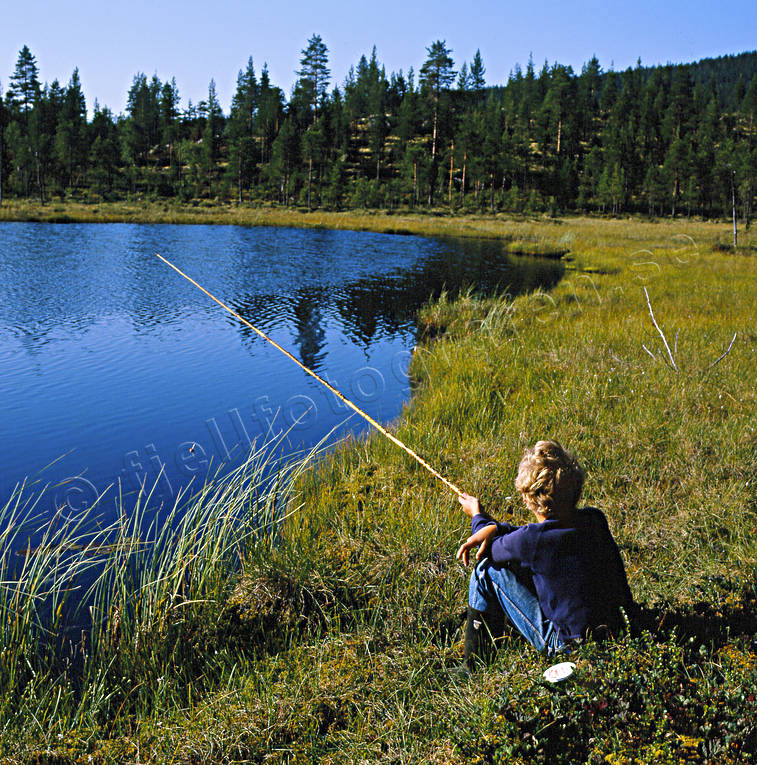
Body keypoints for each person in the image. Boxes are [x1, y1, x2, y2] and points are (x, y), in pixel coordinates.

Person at [456, 440, 635, 664]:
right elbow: (526, 535)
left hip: (568, 647)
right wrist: (497, 528)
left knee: (485, 570)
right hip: (618, 629)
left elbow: (491, 549)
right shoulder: (594, 519)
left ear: (527, 497)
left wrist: (477, 516)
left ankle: (474, 664)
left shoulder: (531, 541)